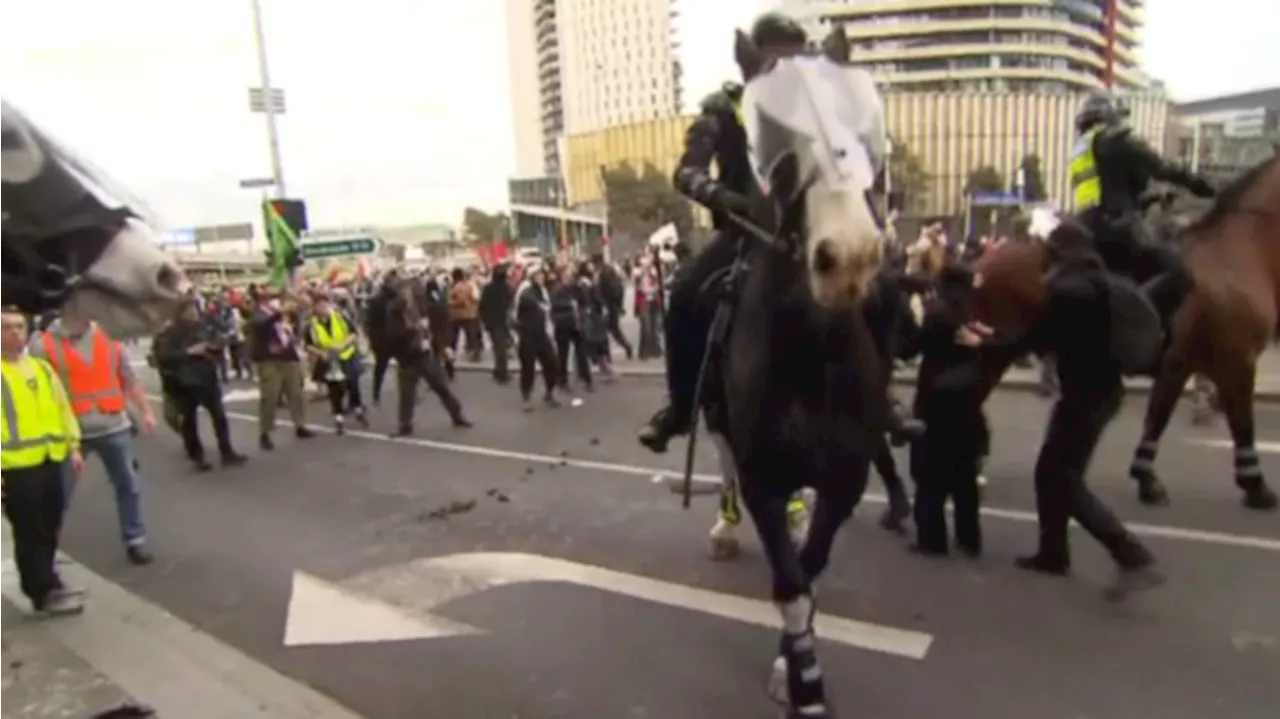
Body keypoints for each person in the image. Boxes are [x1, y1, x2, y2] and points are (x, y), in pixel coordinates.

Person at [638, 11, 914, 453]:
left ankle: (882, 396)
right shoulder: (723, 109)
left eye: (797, 55)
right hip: (746, 232)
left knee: (885, 290)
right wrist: (723, 197)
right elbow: (686, 173)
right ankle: (680, 405)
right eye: (777, 57)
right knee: (687, 294)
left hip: (809, 226)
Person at [1019, 219, 1163, 601]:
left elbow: (1036, 338)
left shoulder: (1067, 290)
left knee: (1061, 479)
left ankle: (1133, 556)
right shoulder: (1107, 283)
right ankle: (1053, 554)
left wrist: (989, 341)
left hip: (1085, 397)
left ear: (1057, 253)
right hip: (1103, 392)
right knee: (1052, 473)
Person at [1069, 90, 1215, 323]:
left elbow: (1108, 189)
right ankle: (1134, 319)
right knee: (1178, 270)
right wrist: (1206, 188)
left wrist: (1150, 200)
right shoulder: (1116, 139)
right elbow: (1162, 168)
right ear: (1111, 116)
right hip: (1118, 227)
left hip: (1086, 226)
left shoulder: (1081, 149)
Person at [32, 305, 159, 565]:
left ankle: (135, 541)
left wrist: (146, 411)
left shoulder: (109, 336)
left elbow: (128, 378)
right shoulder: (43, 344)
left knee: (128, 485)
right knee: (60, 492)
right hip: (70, 432)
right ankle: (46, 548)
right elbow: (37, 392)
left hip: (113, 424)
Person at [0, 305, 86, 615]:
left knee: (50, 526)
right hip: (15, 468)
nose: (14, 332)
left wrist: (73, 446)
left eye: (19, 326)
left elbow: (62, 408)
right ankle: (41, 592)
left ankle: (50, 580)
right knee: (29, 531)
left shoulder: (40, 368)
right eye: (6, 327)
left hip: (51, 460)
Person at [902, 266, 989, 557]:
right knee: (964, 476)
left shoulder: (939, 315)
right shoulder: (971, 315)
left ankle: (932, 538)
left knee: (929, 473)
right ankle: (969, 538)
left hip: (936, 401)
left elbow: (910, 348)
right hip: (967, 403)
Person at [153, 301, 248, 471]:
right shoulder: (171, 333)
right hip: (185, 381)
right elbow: (164, 357)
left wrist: (217, 345)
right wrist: (189, 352)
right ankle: (197, 456)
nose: (193, 314)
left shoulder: (204, 327)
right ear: (180, 313)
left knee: (219, 416)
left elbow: (217, 344)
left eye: (195, 310)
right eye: (189, 310)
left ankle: (227, 452)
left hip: (207, 378)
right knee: (189, 421)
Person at [385, 280, 471, 434]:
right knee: (407, 394)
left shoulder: (421, 307)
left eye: (409, 294)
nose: (407, 297)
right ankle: (405, 425)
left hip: (425, 353)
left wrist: (443, 346)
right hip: (407, 356)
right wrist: (413, 328)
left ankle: (457, 415)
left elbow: (437, 327)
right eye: (404, 294)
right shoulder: (394, 312)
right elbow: (393, 335)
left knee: (442, 386)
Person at [250, 291, 315, 450]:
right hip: (269, 361)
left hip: (289, 358)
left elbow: (302, 313)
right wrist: (281, 311)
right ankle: (265, 432)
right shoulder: (259, 316)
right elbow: (262, 324)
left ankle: (300, 425)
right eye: (271, 300)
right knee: (270, 396)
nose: (276, 303)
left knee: (296, 394)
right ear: (262, 303)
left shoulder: (282, 317)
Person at [305, 292, 367, 435]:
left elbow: (354, 333)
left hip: (347, 355)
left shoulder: (340, 316)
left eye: (326, 304)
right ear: (315, 308)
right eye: (319, 305)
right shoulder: (311, 324)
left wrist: (343, 345)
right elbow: (307, 344)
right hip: (329, 360)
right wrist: (321, 353)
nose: (324, 307)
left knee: (353, 385)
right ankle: (338, 417)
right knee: (334, 390)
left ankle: (357, 408)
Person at [514, 265, 561, 410]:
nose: (541, 278)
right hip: (528, 336)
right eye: (537, 276)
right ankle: (526, 397)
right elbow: (525, 305)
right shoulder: (527, 292)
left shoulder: (543, 291)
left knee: (551, 362)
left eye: (542, 275)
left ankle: (550, 392)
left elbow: (548, 309)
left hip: (542, 334)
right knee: (528, 368)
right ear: (532, 278)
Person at [478, 263, 515, 384]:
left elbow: (482, 306)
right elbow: (509, 304)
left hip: (492, 322)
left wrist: (484, 320)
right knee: (501, 348)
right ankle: (502, 372)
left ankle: (499, 370)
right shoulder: (506, 288)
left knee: (498, 348)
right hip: (501, 321)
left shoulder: (488, 288)